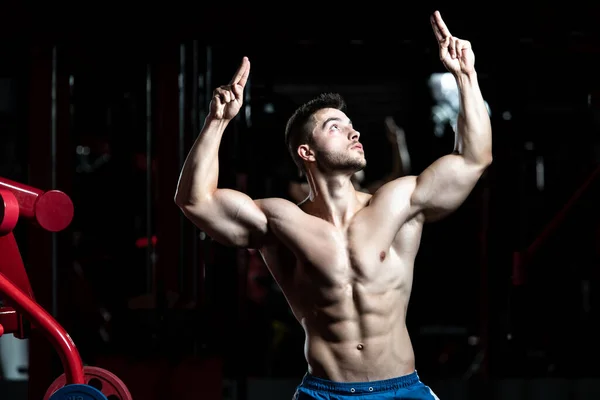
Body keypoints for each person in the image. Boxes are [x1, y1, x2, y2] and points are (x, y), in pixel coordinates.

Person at [175, 10, 492, 400]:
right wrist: (217, 121)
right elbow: (195, 201)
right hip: (326, 393)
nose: (353, 131)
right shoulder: (280, 219)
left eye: (351, 124)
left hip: (403, 389)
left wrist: (466, 76)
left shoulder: (395, 202)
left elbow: (473, 159)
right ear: (306, 151)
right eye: (335, 127)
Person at [287, 115, 411, 203]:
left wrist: (398, 142)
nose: (355, 134)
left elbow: (399, 175)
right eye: (334, 127)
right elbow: (296, 188)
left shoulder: (366, 195)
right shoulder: (314, 195)